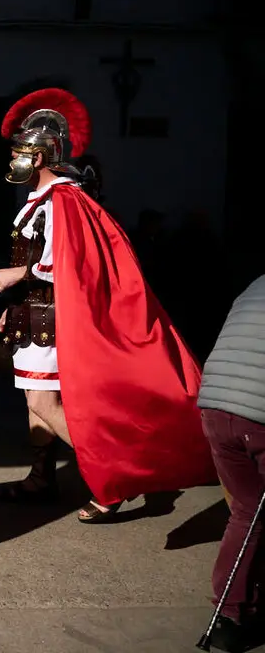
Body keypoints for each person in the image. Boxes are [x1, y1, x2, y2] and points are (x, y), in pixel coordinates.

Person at [0, 87, 216, 522]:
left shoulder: (64, 201)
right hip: (36, 313)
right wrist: (16, 300)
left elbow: (71, 263)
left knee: (43, 404)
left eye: (20, 151)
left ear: (38, 157)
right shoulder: (43, 201)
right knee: (35, 402)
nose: (14, 158)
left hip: (55, 317)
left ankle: (112, 479)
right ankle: (41, 477)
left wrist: (19, 275)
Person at [196, 274, 265, 652]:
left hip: (216, 405)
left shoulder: (255, 284)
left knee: (247, 510)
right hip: (257, 412)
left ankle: (232, 614)